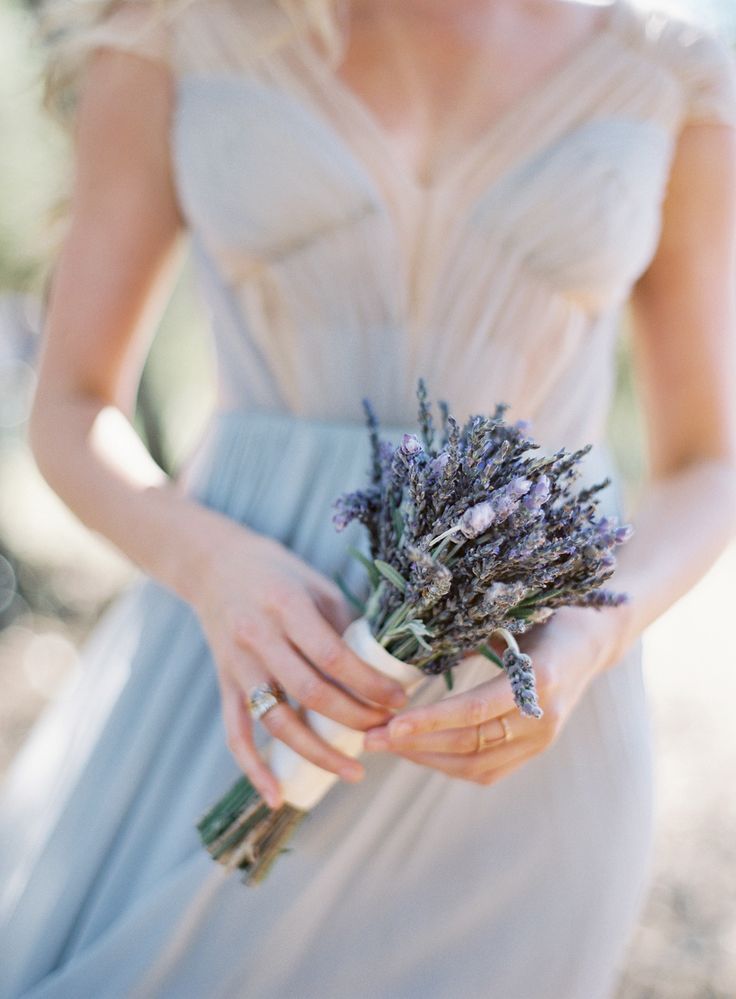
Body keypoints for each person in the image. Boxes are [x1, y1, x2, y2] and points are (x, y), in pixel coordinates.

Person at [1, 0, 735, 995]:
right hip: (241, 672)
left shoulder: (670, 72)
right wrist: (210, 566)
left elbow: (706, 460)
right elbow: (72, 407)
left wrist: (588, 643)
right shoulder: (175, 31)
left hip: (522, 722)